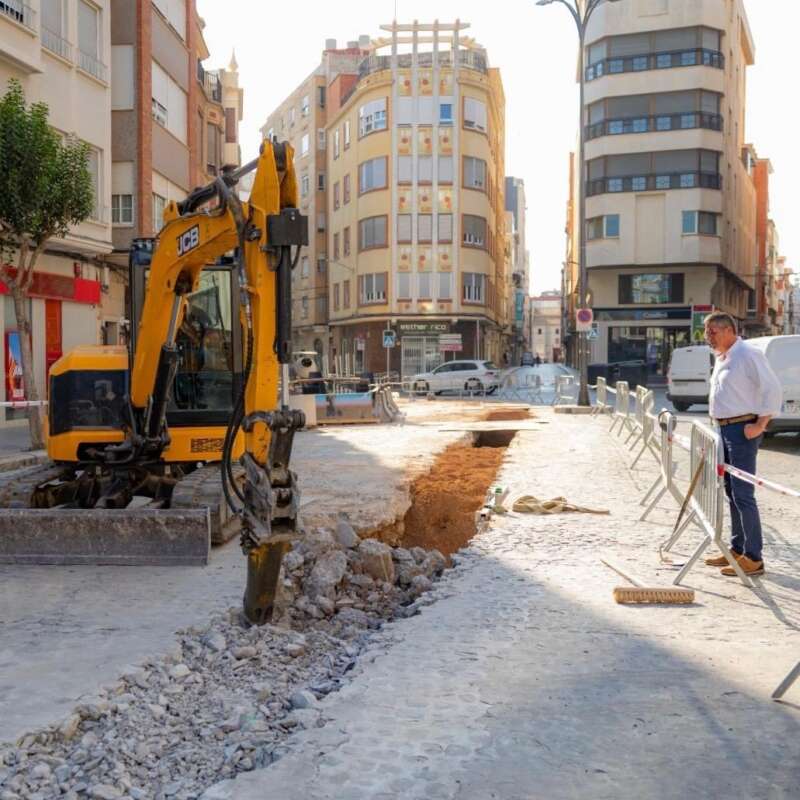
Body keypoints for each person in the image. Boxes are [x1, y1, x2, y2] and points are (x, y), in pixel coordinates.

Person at [703, 312, 782, 577]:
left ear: (727, 330)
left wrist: (760, 425)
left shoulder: (748, 354)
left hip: (741, 429)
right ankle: (737, 549)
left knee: (744, 494)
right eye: (706, 332)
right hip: (725, 430)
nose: (707, 337)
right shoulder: (724, 358)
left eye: (711, 331)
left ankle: (754, 557)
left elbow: (773, 389)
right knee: (731, 492)